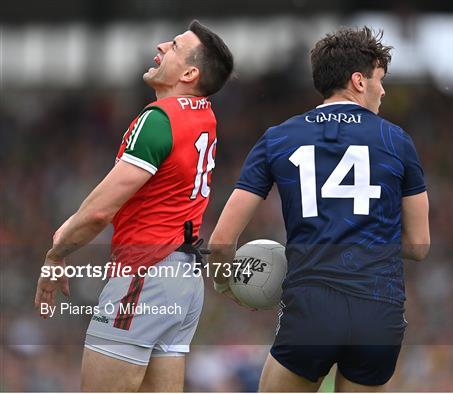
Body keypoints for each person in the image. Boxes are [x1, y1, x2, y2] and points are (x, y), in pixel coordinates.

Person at [209, 27, 430, 392]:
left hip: (312, 305)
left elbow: (220, 242)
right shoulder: (397, 140)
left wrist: (226, 284)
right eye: (379, 79)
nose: (383, 89)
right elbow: (419, 245)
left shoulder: (278, 138)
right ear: (359, 81)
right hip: (378, 308)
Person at [34, 20, 233, 392]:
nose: (160, 46)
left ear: (190, 73)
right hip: (184, 278)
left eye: (173, 46)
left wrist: (55, 255)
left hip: (145, 273)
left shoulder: (158, 120)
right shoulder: (204, 114)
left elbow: (98, 212)